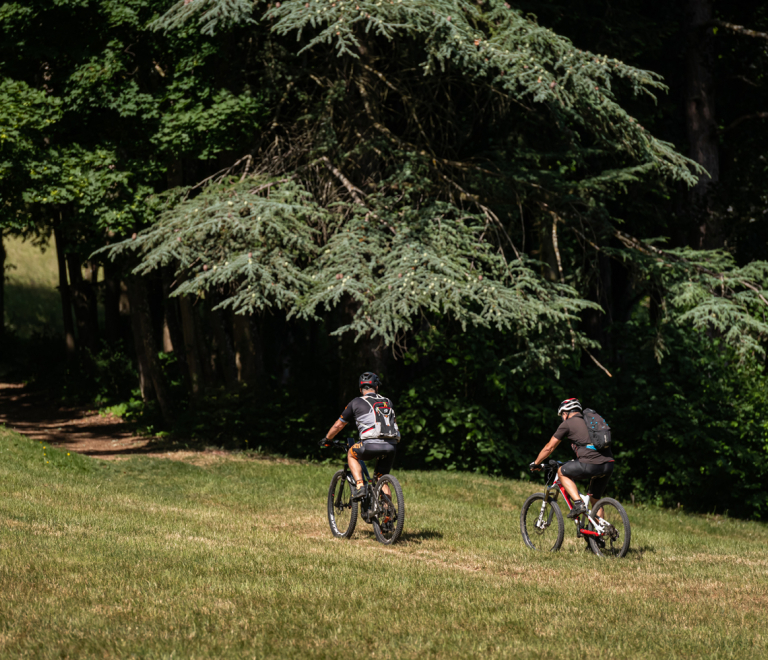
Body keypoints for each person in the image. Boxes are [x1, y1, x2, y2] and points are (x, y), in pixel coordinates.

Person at [320, 372, 400, 500]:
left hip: (369, 444)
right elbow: (394, 424)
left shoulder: (356, 402)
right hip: (391, 445)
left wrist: (328, 439)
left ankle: (360, 485)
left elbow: (338, 426)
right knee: (381, 477)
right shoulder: (387, 401)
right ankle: (388, 516)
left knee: (351, 454)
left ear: (360, 389)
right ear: (377, 387)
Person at [530, 398, 614, 519]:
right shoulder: (589, 420)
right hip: (609, 463)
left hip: (591, 463)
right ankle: (601, 531)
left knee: (561, 472)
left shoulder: (567, 424)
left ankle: (578, 504)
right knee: (595, 500)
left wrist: (536, 463)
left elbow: (549, 447)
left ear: (565, 413)